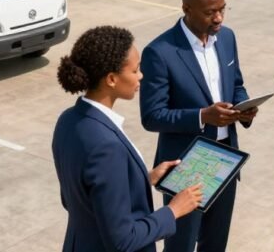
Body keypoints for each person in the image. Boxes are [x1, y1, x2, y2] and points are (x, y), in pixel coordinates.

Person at [52, 26, 202, 252]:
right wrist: (173, 210)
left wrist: (143, 179)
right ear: (112, 79)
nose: (141, 76)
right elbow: (123, 240)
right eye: (135, 70)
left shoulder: (68, 121)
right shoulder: (106, 145)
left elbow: (73, 198)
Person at [139, 0, 256, 252]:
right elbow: (152, 116)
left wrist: (245, 108)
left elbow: (236, 84)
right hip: (186, 164)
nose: (218, 18)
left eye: (222, 9)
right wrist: (203, 116)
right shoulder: (160, 52)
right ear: (186, 9)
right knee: (180, 244)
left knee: (215, 242)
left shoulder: (226, 38)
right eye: (209, 12)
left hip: (226, 156)